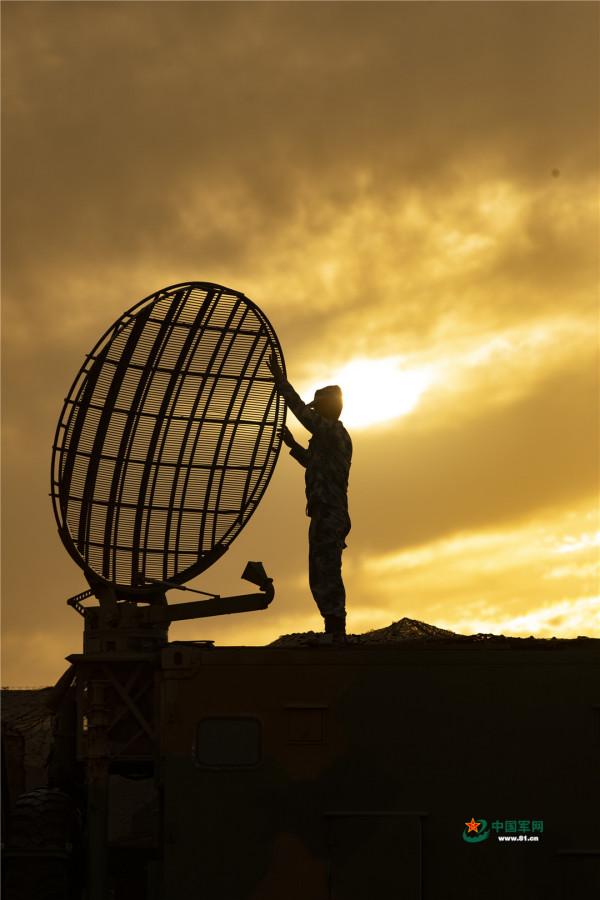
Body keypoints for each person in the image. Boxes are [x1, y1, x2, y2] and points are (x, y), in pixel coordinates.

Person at [267, 354, 352, 638]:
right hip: (323, 512)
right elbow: (315, 464)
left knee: (327, 570)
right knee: (319, 571)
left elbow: (303, 414)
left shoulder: (333, 432)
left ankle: (336, 629)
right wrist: (293, 446)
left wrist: (282, 384)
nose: (314, 413)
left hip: (330, 512)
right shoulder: (327, 439)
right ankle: (332, 626)